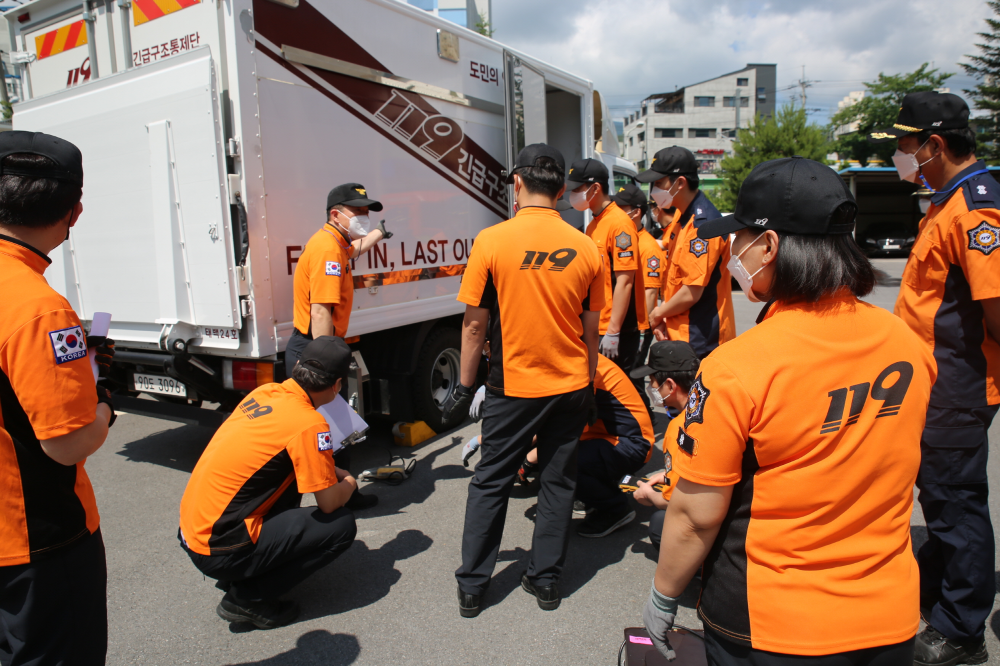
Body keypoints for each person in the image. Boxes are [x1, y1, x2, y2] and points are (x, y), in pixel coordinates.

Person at [641, 157, 937, 665]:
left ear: (770, 246)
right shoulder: (906, 343)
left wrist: (663, 597)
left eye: (739, 239)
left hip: (773, 622)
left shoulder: (737, 366)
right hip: (888, 616)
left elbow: (694, 516)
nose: (731, 253)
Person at [442, 143, 604, 617]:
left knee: (491, 480)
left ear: (517, 183)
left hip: (513, 385)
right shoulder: (587, 246)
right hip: (570, 383)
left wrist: (464, 387)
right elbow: (591, 329)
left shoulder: (492, 240)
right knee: (558, 482)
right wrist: (589, 384)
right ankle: (546, 580)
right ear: (561, 189)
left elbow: (474, 326)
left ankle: (473, 587)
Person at [869, 91, 1000, 666]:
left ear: (935, 145)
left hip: (959, 382)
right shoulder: (944, 203)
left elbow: (996, 308)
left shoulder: (976, 209)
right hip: (933, 380)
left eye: (904, 145)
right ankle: (942, 592)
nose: (899, 156)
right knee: (939, 494)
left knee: (955, 502)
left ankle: (962, 630)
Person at [0, 131, 116, 665]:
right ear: (74, 211)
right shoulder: (40, 308)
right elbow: (67, 444)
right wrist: (103, 404)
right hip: (35, 538)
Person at [179, 336, 358, 630]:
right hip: (218, 548)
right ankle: (247, 598)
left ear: (298, 365)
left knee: (287, 478)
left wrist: (325, 465)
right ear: (337, 385)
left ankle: (243, 571)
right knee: (341, 525)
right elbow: (328, 503)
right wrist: (349, 482)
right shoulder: (310, 424)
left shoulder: (266, 392)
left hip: (195, 530)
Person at [287, 183, 391, 511]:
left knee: (336, 431)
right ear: (335, 214)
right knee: (326, 432)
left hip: (316, 347)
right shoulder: (327, 250)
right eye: (357, 210)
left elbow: (354, 250)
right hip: (315, 350)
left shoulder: (335, 242)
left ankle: (341, 495)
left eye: (366, 211)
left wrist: (377, 234)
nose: (364, 215)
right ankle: (333, 502)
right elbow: (320, 311)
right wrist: (325, 367)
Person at [639, 147, 734, 359]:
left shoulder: (702, 225)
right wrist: (665, 316)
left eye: (659, 183)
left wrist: (658, 313)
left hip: (700, 340)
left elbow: (692, 291)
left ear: (680, 183)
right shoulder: (682, 217)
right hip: (681, 334)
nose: (654, 190)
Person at [567, 158, 648, 371]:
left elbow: (625, 281)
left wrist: (613, 331)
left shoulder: (620, 224)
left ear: (595, 188)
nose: (573, 194)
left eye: (577, 188)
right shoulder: (594, 225)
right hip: (598, 323)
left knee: (620, 387)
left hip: (617, 328)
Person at [574, 354, 654, 538]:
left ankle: (614, 509)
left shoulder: (583, 369)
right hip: (606, 437)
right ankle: (596, 490)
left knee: (563, 461)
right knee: (549, 456)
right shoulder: (581, 358)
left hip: (632, 444)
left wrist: (529, 458)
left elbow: (566, 429)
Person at [629, 341, 699, 551]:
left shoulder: (680, 428)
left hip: (709, 513)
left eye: (653, 381)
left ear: (670, 385)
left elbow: (670, 502)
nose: (651, 388)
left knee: (659, 523)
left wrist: (649, 495)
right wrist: (669, 474)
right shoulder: (706, 407)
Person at [612, 184, 665, 408]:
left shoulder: (647, 247)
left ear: (636, 212)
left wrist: (644, 330)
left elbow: (651, 292)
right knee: (625, 377)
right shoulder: (627, 239)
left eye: (621, 208)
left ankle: (644, 419)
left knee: (633, 378)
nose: (615, 212)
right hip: (628, 324)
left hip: (639, 326)